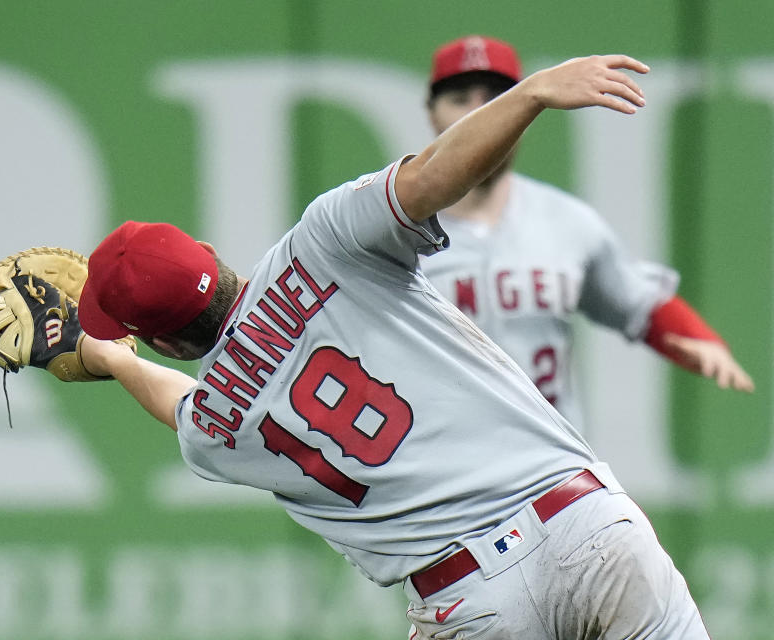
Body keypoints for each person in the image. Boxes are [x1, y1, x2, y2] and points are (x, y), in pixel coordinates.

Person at [74, 55, 711, 638]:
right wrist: (531, 96)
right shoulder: (323, 240)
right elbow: (435, 176)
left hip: (472, 602)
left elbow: (182, 401)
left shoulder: (213, 432)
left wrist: (115, 360)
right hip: (586, 528)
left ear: (162, 339)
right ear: (209, 251)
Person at [419, 35, 753, 429]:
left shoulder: (567, 221)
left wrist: (699, 339)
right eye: (459, 100)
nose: (478, 115)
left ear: (521, 113)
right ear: (432, 113)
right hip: (440, 461)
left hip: (551, 462)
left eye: (495, 99)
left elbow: (637, 300)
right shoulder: (391, 230)